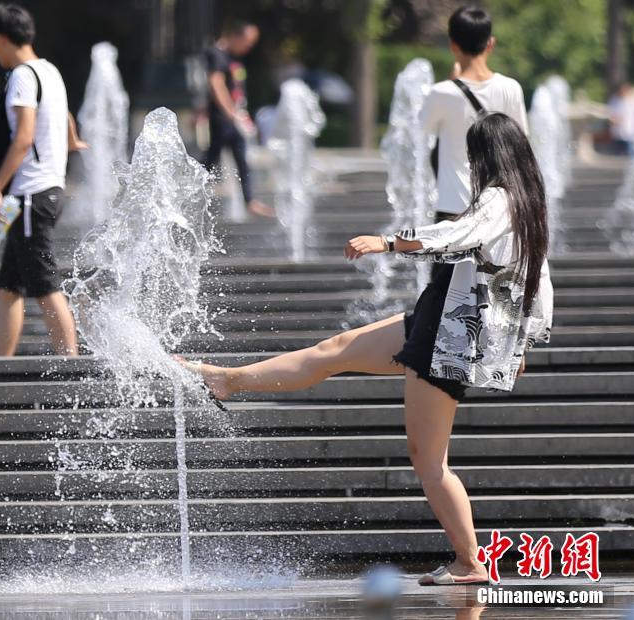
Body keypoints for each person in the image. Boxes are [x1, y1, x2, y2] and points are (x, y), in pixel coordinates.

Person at [178, 112, 554, 586]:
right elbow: (539, 286)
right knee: (335, 350)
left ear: (487, 155)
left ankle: (470, 562)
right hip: (440, 315)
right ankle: (227, 380)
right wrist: (523, 344)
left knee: (429, 461)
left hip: (450, 335)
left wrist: (388, 242)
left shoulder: (500, 200)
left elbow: (459, 237)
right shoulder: (525, 204)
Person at [0, 3, 79, 357]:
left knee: (44, 285)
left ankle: (70, 365)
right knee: (9, 287)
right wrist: (71, 141)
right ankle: (0, 365)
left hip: (30, 195)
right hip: (44, 190)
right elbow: (65, 116)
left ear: (0, 39)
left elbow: (23, 137)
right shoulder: (49, 71)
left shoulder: (22, 76)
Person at [422, 6, 529, 224]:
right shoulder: (511, 88)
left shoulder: (441, 92)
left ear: (453, 45)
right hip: (497, 208)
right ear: (491, 43)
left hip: (453, 207)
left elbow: (422, 133)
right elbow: (521, 145)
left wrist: (452, 82)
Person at [201, 21, 274, 218]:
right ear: (235, 36)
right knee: (212, 159)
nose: (249, 47)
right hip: (223, 118)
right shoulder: (217, 54)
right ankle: (188, 192)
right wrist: (230, 112)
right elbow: (215, 83)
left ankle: (249, 201)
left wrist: (240, 113)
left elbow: (233, 88)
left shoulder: (230, 57)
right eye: (247, 42)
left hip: (232, 116)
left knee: (237, 157)